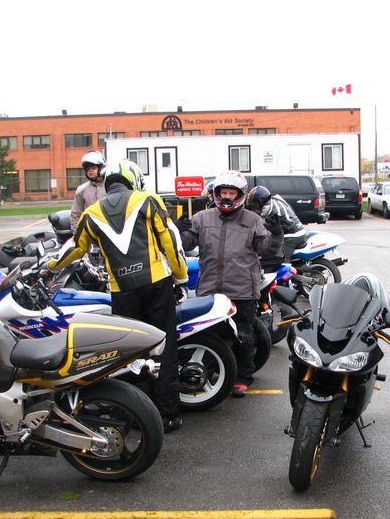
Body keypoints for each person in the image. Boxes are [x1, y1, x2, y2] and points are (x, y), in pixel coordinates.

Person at [48, 160, 188, 433]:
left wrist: (50, 267)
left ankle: (136, 414)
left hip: (122, 290)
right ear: (132, 179)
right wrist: (181, 277)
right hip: (156, 284)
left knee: (130, 353)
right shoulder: (147, 199)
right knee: (164, 348)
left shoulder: (91, 212)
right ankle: (167, 415)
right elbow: (170, 240)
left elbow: (76, 248)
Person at [177, 171, 283, 397]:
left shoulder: (253, 220)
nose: (226, 196)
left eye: (231, 193)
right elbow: (186, 244)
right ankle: (211, 371)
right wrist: (179, 231)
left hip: (242, 289)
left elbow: (266, 249)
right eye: (223, 192)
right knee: (210, 334)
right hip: (210, 289)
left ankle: (242, 377)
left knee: (243, 335)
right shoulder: (201, 218)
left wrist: (276, 234)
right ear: (216, 194)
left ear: (240, 195)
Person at [244, 185, 307, 267]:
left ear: (261, 201)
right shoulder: (275, 200)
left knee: (279, 259)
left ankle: (287, 274)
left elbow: (262, 226)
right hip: (297, 231)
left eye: (255, 203)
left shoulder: (269, 211)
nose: (255, 206)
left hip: (292, 236)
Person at [70, 150, 107, 232]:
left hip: (109, 232)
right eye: (88, 168)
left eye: (93, 168)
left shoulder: (110, 186)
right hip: (89, 232)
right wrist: (77, 234)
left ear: (101, 168)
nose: (90, 170)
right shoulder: (81, 190)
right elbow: (76, 214)